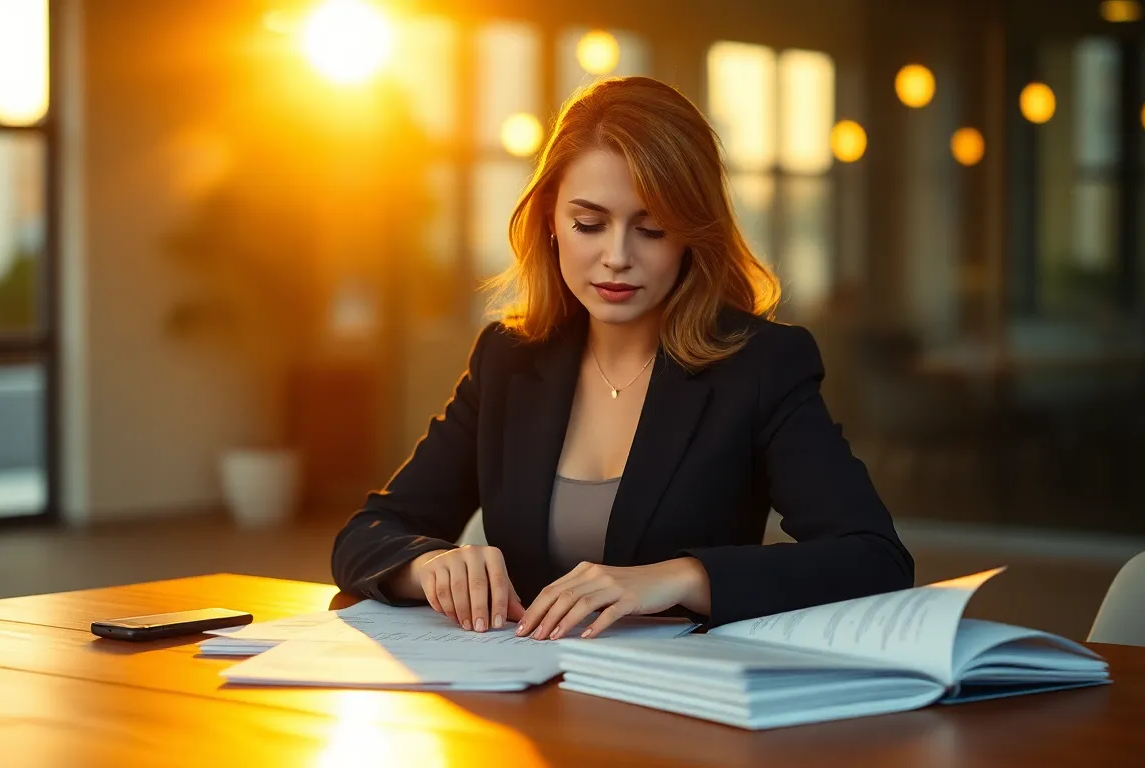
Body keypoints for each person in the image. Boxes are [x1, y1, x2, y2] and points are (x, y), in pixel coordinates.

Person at [331, 76, 913, 642]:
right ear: (551, 223)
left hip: (681, 708)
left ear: (692, 235)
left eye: (652, 229)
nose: (616, 257)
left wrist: (679, 577)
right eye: (589, 224)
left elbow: (875, 558)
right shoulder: (508, 362)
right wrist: (429, 565)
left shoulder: (760, 366)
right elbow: (368, 535)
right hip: (526, 696)